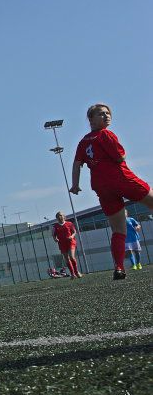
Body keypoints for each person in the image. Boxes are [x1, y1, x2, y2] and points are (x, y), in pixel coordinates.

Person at [71, 103, 153, 280]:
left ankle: (119, 268)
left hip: (101, 186)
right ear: (91, 119)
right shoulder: (106, 134)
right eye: (101, 113)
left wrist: (75, 184)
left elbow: (77, 163)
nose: (106, 116)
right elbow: (120, 157)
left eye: (108, 113)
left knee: (118, 229)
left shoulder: (83, 142)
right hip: (122, 179)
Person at [51, 211, 81, 279]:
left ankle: (76, 272)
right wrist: (55, 239)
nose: (60, 217)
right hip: (62, 244)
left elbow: (74, 232)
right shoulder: (55, 226)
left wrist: (72, 236)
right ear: (56, 218)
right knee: (67, 259)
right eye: (58, 216)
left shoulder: (69, 223)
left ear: (64, 216)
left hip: (70, 242)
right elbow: (53, 235)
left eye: (61, 215)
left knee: (71, 257)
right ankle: (72, 274)